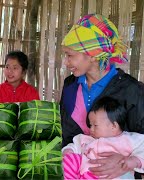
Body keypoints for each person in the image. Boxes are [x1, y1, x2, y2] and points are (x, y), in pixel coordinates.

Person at [60, 14, 144, 179]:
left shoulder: (132, 90)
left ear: (92, 54)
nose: (65, 62)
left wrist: (126, 161)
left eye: (70, 55)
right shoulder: (70, 85)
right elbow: (67, 138)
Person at [62, 97, 144, 179]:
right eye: (90, 125)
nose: (91, 129)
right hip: (85, 172)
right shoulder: (87, 139)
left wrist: (135, 161)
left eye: (95, 125)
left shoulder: (128, 139)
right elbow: (75, 145)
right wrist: (69, 150)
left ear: (113, 126)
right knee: (70, 159)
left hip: (112, 176)